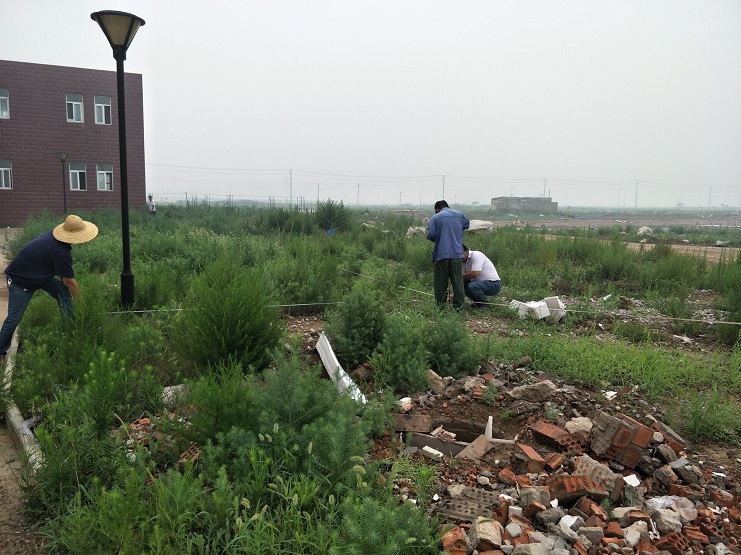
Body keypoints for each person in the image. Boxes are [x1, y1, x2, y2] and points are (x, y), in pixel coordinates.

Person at [0, 215, 98, 359]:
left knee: (63, 292)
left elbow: (65, 278)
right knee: (14, 318)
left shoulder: (56, 240)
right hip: (21, 280)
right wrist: (81, 303)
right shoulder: (60, 250)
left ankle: (71, 330)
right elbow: (71, 281)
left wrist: (67, 284)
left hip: (40, 276)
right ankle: (0, 350)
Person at [426, 200, 470, 309]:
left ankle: (441, 308)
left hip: (442, 254)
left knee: (441, 283)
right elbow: (466, 224)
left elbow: (431, 234)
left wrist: (440, 238)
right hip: (457, 254)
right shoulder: (460, 215)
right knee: (458, 282)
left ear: (437, 209)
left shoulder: (436, 217)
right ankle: (459, 308)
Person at [462, 244, 501, 310]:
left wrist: (461, 276)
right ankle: (478, 303)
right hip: (480, 284)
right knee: (464, 286)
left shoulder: (476, 255)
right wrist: (455, 293)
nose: (459, 257)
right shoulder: (462, 262)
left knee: (472, 286)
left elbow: (475, 273)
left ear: (466, 251)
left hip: (493, 284)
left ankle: (484, 305)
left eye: (460, 254)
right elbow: (464, 279)